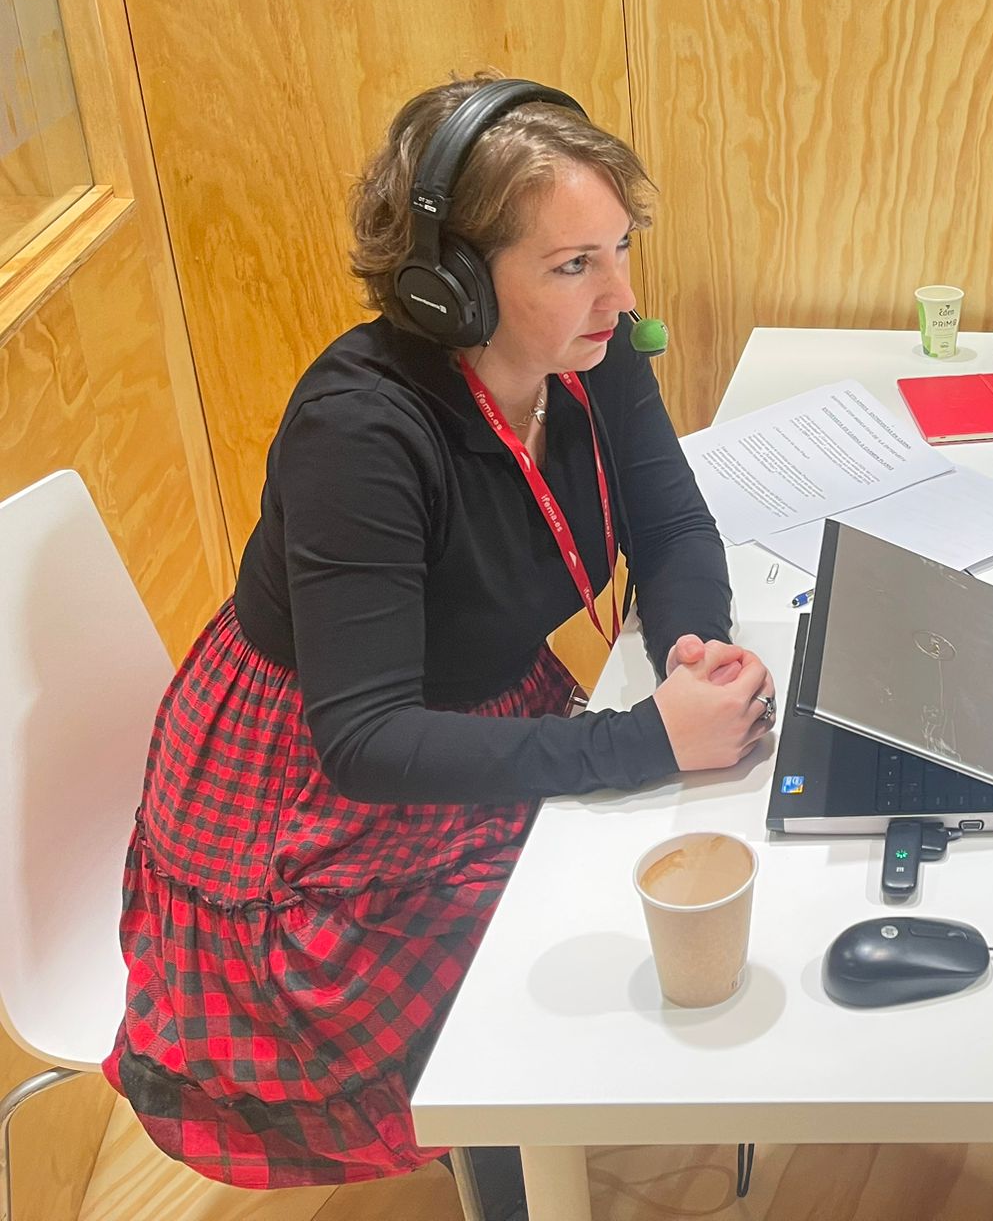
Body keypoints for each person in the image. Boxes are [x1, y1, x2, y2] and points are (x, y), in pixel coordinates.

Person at [102, 75, 773, 1214]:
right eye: (573, 264)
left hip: (470, 714)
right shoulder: (359, 431)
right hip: (314, 800)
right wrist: (644, 742)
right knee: (549, 965)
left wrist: (692, 658)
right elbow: (365, 739)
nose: (620, 294)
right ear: (451, 285)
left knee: (632, 881)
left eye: (619, 248)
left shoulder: (590, 351)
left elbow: (669, 526)